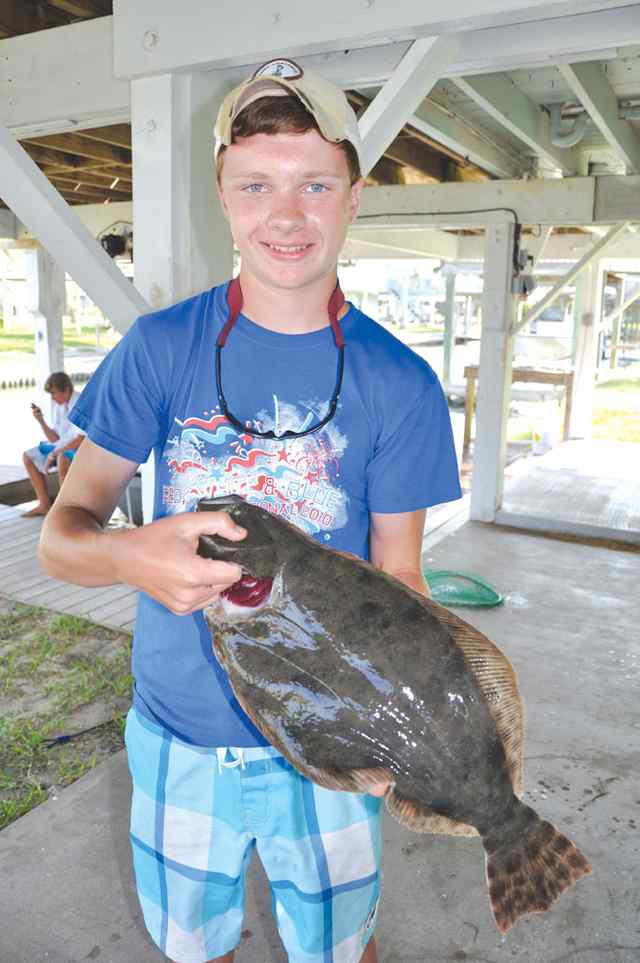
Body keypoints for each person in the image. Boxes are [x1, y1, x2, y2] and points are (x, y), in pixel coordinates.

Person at [39, 57, 462, 963]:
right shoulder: (159, 349)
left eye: (316, 183)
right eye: (257, 184)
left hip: (332, 746)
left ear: (354, 197)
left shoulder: (402, 383)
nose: (286, 212)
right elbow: (61, 538)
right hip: (179, 739)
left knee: (343, 949)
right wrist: (129, 555)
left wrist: (422, 723)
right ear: (224, 198)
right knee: (197, 949)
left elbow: (403, 583)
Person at [22, 370, 85, 517]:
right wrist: (41, 421)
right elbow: (55, 439)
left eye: (54, 393)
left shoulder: (80, 403)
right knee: (28, 457)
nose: (52, 398)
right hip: (62, 445)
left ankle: (65, 511)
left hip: (81, 446)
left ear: (67, 389)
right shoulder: (59, 406)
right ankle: (44, 504)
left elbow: (81, 439)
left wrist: (55, 453)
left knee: (62, 457)